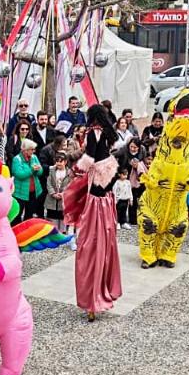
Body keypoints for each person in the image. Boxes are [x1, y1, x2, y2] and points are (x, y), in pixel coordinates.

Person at [64, 104, 122, 319]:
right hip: (107, 185)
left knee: (90, 244)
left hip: (96, 186)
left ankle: (92, 298)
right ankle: (102, 291)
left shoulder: (93, 133)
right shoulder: (109, 132)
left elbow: (89, 158)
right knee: (104, 238)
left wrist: (76, 168)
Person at [10, 139, 44, 222]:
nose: (34, 151)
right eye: (32, 149)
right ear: (25, 150)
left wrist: (38, 170)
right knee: (17, 215)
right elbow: (19, 174)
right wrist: (32, 170)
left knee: (29, 214)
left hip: (34, 192)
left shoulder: (34, 157)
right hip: (20, 193)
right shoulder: (17, 159)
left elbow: (40, 173)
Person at [45, 153, 72, 234]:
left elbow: (70, 185)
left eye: (61, 161)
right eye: (57, 161)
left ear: (65, 162)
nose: (58, 163)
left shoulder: (69, 172)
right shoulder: (52, 171)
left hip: (64, 199)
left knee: (62, 216)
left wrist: (63, 194)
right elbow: (49, 183)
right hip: (52, 198)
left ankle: (62, 232)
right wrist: (53, 193)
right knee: (52, 216)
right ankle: (53, 232)